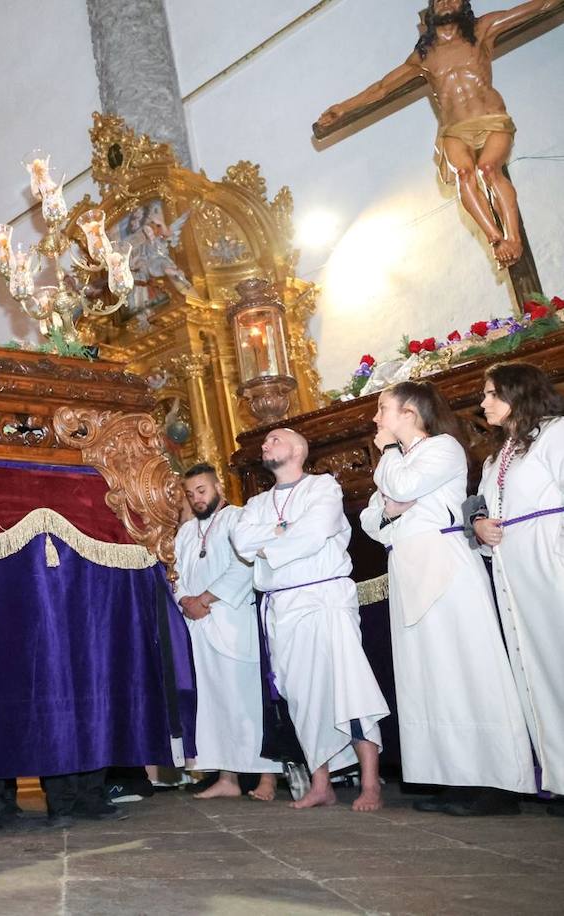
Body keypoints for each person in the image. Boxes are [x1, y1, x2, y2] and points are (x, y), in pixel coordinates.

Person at [359, 382, 535, 815]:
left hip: (445, 564)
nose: (376, 419)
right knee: (430, 677)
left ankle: (498, 783)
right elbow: (371, 520)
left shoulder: (442, 448)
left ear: (410, 414)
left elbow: (402, 487)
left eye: (384, 409)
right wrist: (389, 508)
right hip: (408, 568)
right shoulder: (400, 460)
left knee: (467, 668)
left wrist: (389, 464)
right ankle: (456, 775)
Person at [316, 0, 563, 267]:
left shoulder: (482, 30)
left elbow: (536, 7)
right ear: (431, 11)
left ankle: (513, 238)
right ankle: (495, 239)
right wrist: (343, 108)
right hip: (454, 128)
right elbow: (381, 88)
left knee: (489, 168)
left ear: (464, 5)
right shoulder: (424, 56)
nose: (446, 0)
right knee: (465, 174)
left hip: (491, 119)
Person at [231, 429, 389, 811]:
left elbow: (315, 533)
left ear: (300, 449)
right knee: (301, 696)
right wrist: (284, 533)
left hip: (324, 598)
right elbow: (240, 542)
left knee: (348, 687)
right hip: (282, 605)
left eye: (275, 439)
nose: (266, 445)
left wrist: (268, 543)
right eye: (265, 443)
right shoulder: (254, 503)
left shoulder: (323, 488)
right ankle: (322, 784)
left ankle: (370, 784)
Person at [470, 362, 564, 803]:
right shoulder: (497, 455)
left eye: (491, 393)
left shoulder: (555, 433)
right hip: (514, 570)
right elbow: (487, 506)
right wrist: (481, 526)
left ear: (517, 393)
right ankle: (559, 778)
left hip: (549, 559)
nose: (483, 402)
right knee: (536, 669)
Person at [174, 464, 281, 801]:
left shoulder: (238, 518)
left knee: (249, 699)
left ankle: (269, 776)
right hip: (200, 626)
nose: (197, 499)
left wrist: (205, 598)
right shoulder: (186, 531)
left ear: (217, 485)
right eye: (191, 494)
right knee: (215, 703)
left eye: (202, 490)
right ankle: (228, 777)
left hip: (233, 620)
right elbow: (175, 572)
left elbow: (244, 566)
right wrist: (184, 600)